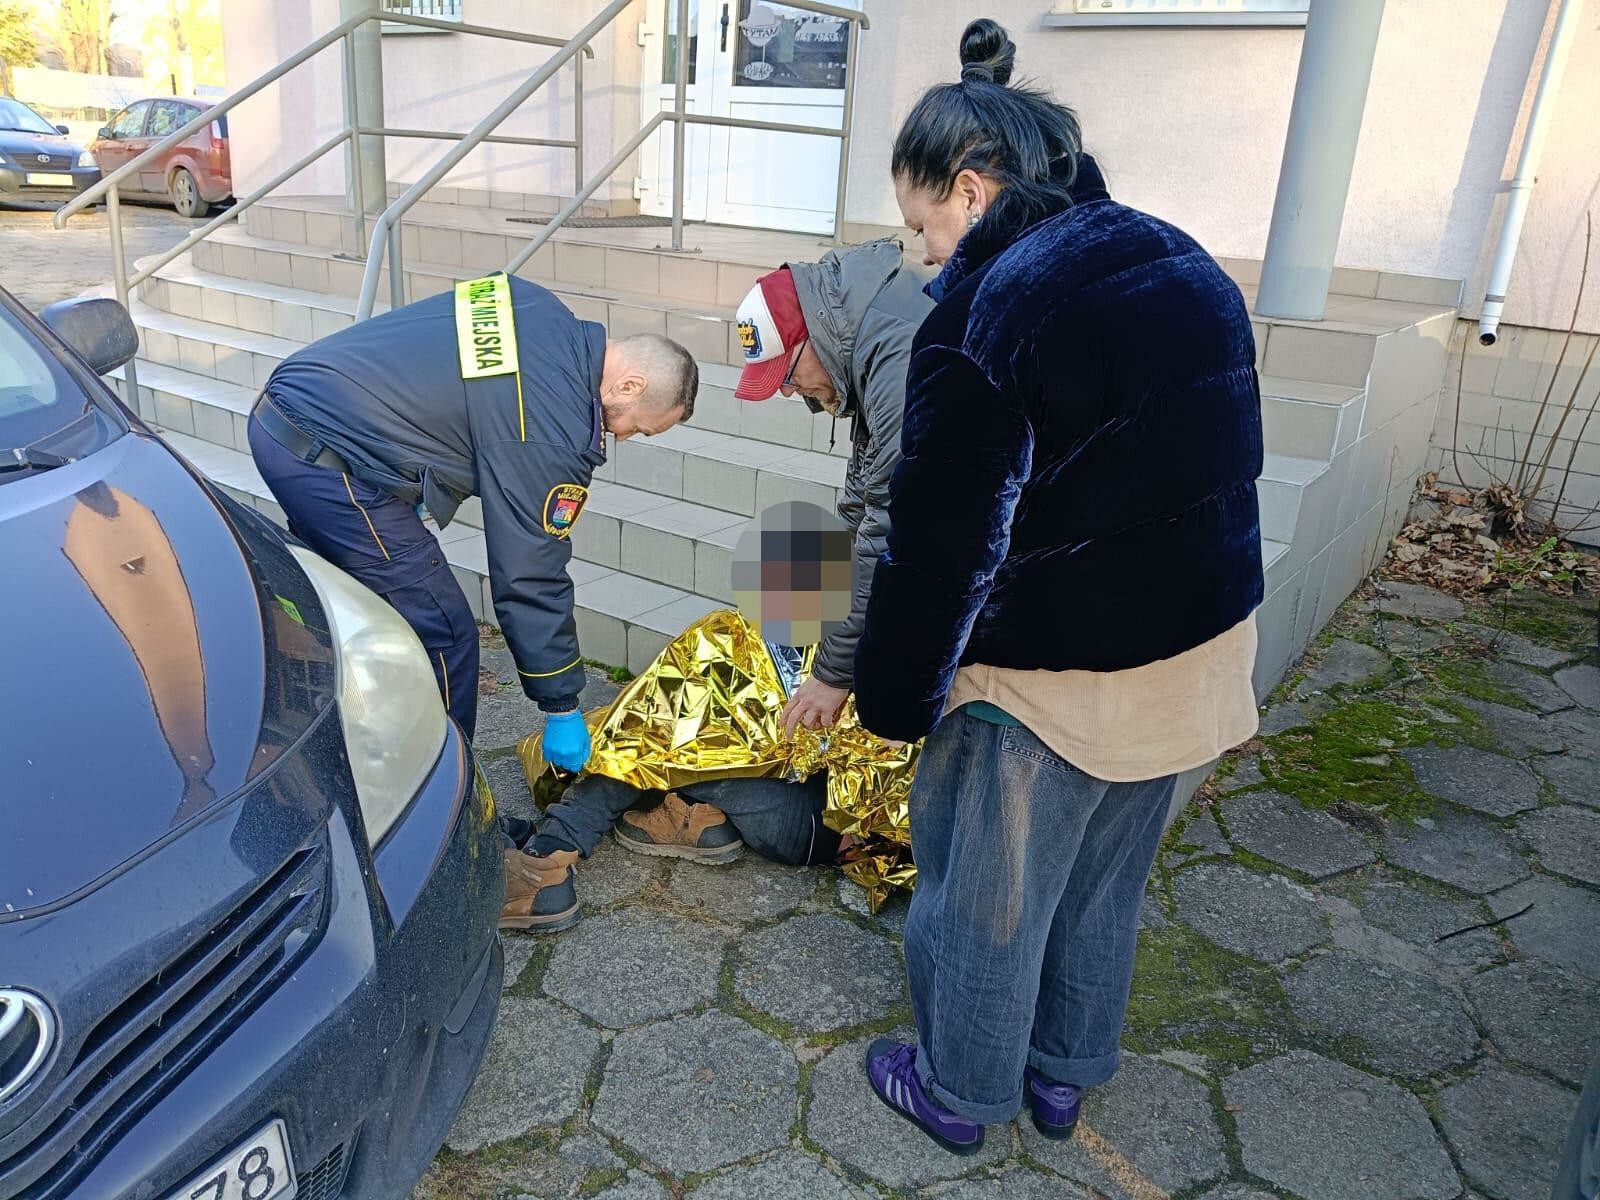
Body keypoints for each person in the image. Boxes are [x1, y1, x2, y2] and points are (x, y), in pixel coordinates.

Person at [852, 20, 1263, 1154]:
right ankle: (1062, 1076)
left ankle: (958, 1090)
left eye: (924, 228)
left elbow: (939, 546)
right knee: (1103, 886)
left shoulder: (983, 315)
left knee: (985, 902)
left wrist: (890, 702)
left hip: (1054, 679)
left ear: (974, 192)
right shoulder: (1177, 253)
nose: (922, 257)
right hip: (1199, 651)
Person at [499, 242, 931, 930]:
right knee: (715, 659)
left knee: (691, 722)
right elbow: (866, 518)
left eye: (785, 375)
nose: (790, 393)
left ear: (817, 339)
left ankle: (563, 840)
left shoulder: (900, 360)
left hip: (835, 792)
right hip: (866, 677)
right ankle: (630, 817)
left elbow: (886, 534)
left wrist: (833, 666)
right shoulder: (880, 355)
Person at [247, 273, 698, 913]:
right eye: (633, 424)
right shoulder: (555, 421)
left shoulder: (538, 305)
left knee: (366, 621)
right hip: (330, 458)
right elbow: (529, 569)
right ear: (624, 385)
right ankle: (447, 844)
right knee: (445, 633)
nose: (621, 436)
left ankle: (346, 778)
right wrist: (561, 704)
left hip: (295, 410)